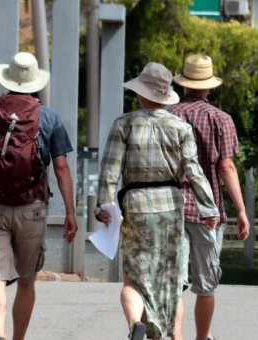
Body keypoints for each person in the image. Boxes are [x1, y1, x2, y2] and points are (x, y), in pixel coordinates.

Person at [95, 62, 220, 340]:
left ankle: (134, 326)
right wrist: (208, 208)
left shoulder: (124, 124)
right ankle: (175, 337)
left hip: (136, 206)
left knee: (134, 279)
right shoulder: (180, 127)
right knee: (170, 281)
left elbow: (110, 170)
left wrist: (104, 207)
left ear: (140, 94)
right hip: (171, 209)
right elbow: (193, 169)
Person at [0, 52, 78, 340]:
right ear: (34, 82)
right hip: (32, 206)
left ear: (8, 80)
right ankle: (17, 339)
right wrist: (71, 212)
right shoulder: (48, 117)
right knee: (27, 280)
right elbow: (61, 167)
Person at [167, 55, 250, 340]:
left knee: (176, 283)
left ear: (184, 83)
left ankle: (175, 336)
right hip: (208, 212)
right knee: (206, 284)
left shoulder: (168, 116)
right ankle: (201, 338)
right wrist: (240, 210)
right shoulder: (221, 119)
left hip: (171, 208)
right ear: (209, 86)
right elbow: (226, 166)